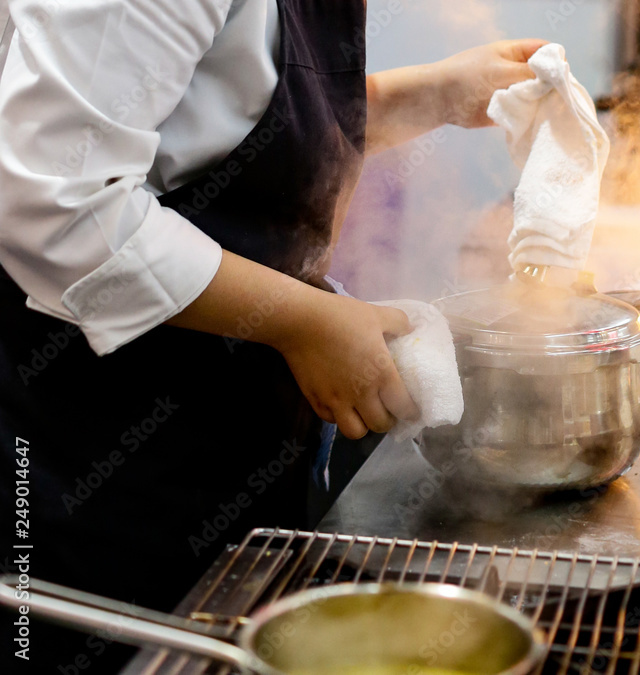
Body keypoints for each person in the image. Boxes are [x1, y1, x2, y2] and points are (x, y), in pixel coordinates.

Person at [0, 1, 544, 671]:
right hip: (93, 461)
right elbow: (54, 207)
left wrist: (432, 92)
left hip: (227, 439)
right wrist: (306, 320)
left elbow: (221, 119)